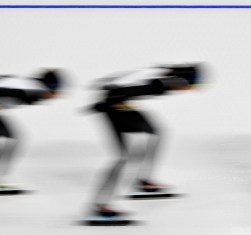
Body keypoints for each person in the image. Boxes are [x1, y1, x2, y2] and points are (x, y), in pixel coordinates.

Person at [86, 64, 202, 221]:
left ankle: (144, 181)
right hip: (113, 103)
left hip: (118, 101)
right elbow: (120, 87)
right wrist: (105, 101)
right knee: (125, 157)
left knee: (155, 133)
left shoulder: (161, 76)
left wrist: (106, 91)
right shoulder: (161, 81)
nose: (188, 91)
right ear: (181, 80)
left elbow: (119, 81)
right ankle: (101, 206)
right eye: (190, 86)